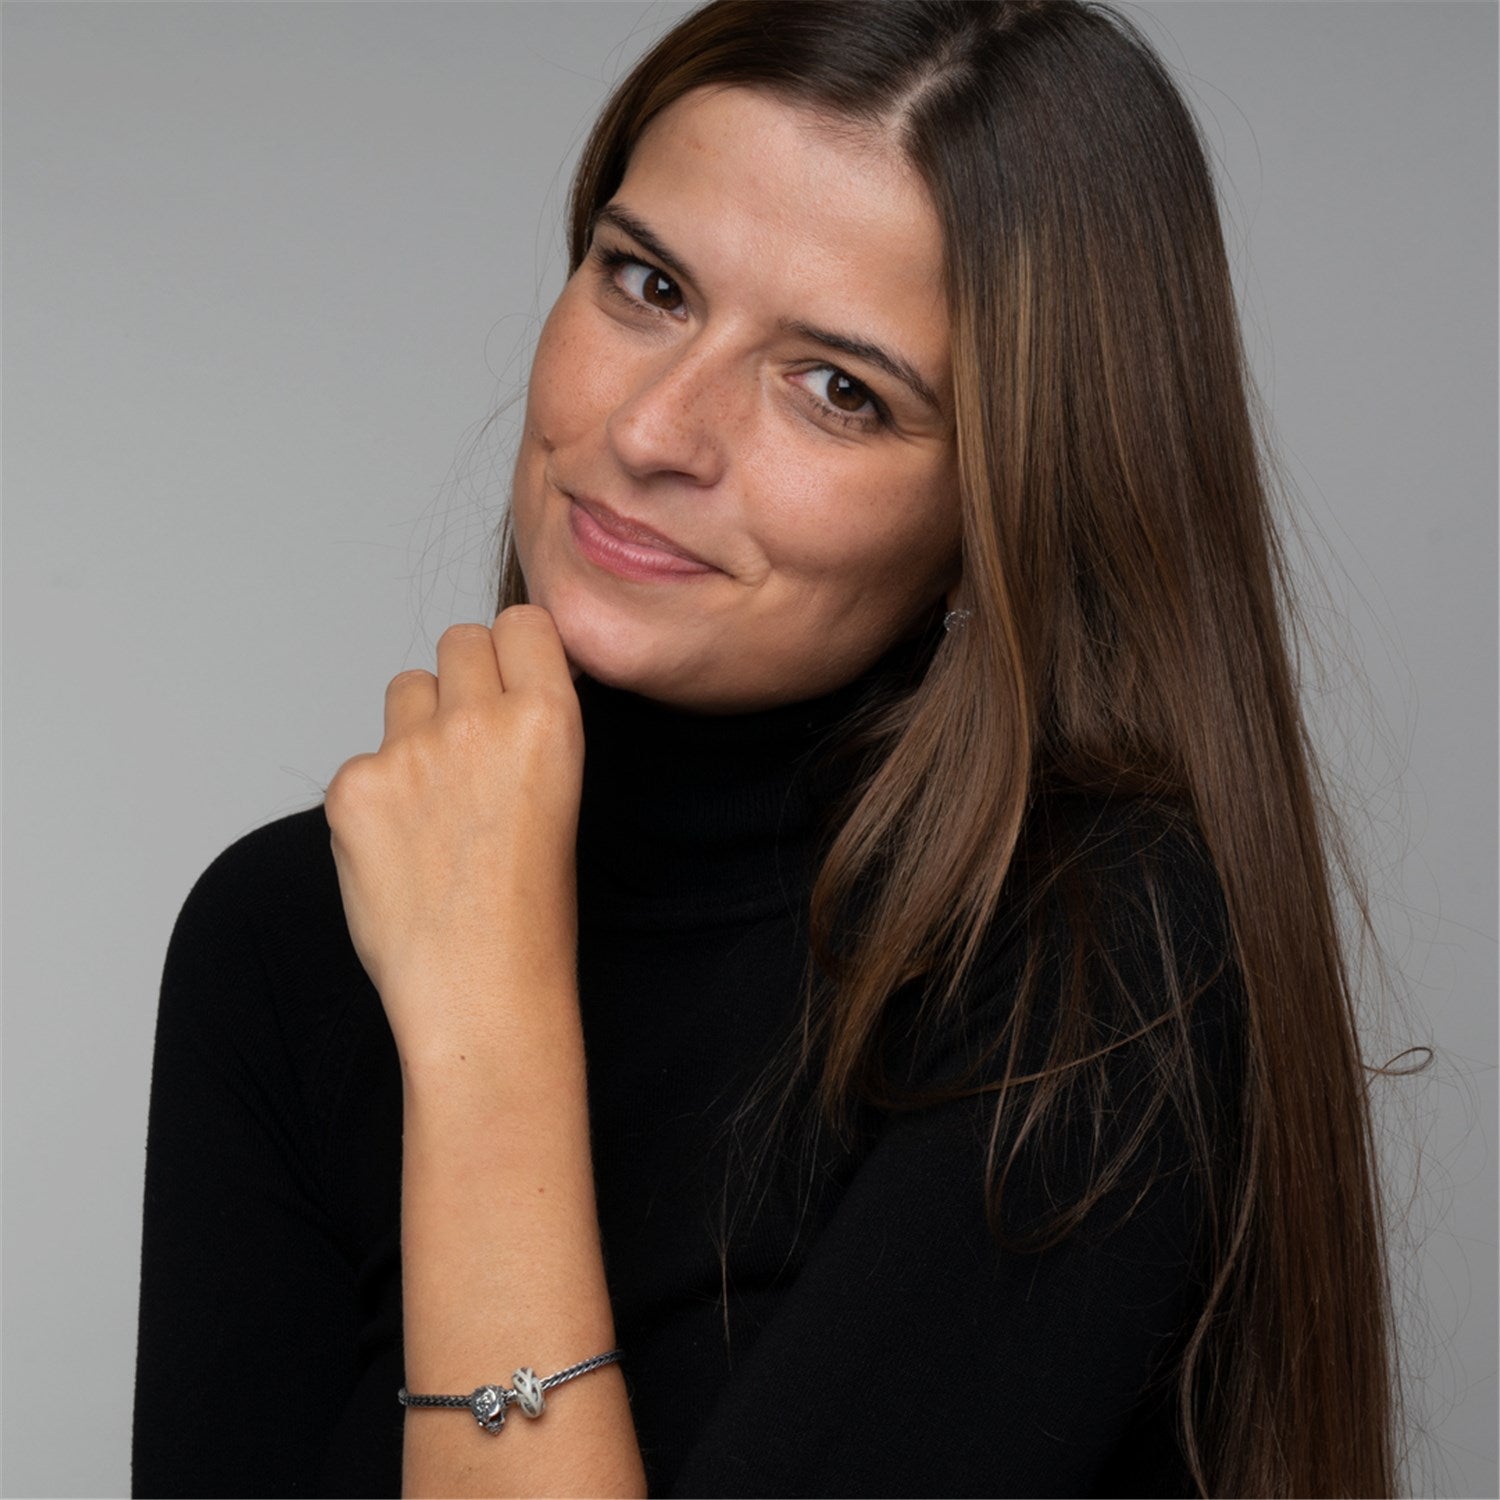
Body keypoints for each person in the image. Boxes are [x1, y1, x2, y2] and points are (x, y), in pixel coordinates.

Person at [131, 2, 1402, 1495]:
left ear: (1004, 511)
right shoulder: (288, 933)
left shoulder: (1092, 959)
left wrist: (487, 1040)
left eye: (839, 389)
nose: (655, 431)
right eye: (649, 284)